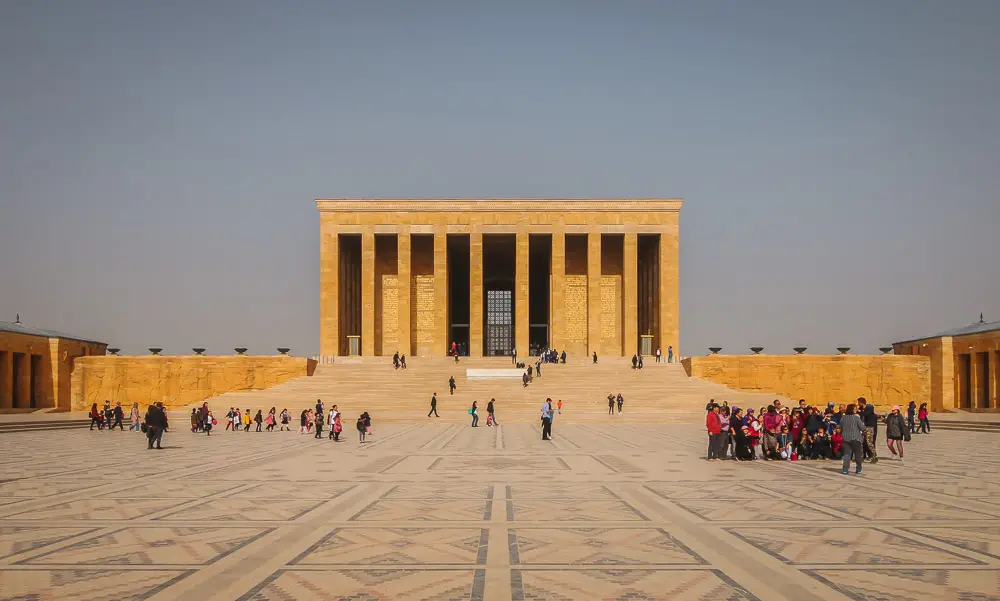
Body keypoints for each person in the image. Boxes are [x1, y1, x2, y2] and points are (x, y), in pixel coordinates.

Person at [839, 403, 865, 475]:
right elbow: (862, 428)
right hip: (856, 438)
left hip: (846, 438)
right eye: (855, 409)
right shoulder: (856, 418)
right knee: (857, 454)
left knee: (847, 454)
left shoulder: (843, 418)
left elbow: (840, 427)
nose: (856, 410)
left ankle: (845, 470)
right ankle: (858, 469)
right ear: (852, 410)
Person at [859, 398, 879, 463]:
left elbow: (865, 414)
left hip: (870, 427)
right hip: (865, 427)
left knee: (869, 443)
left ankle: (874, 457)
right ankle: (863, 456)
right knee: (863, 442)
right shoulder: (862, 409)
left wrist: (859, 412)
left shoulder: (869, 408)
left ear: (861, 402)